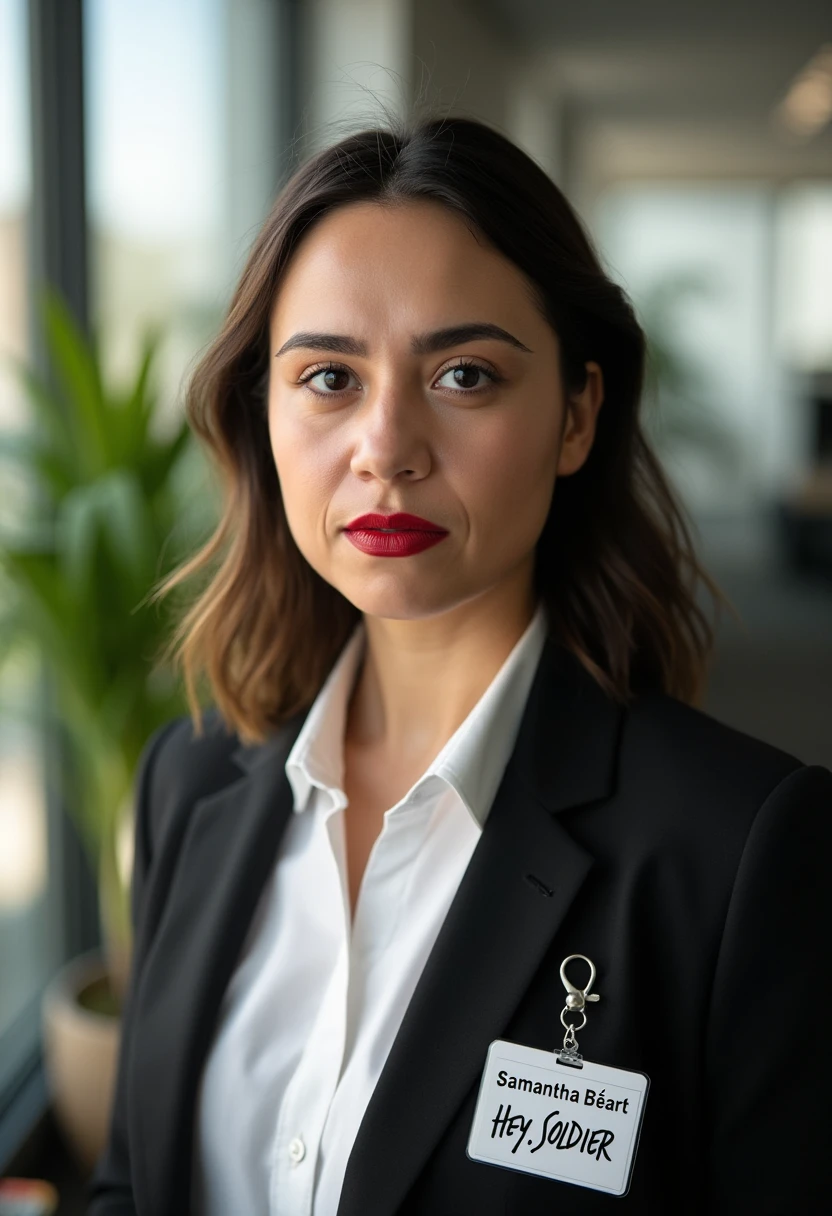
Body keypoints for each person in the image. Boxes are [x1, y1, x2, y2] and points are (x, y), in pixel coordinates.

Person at [86, 113, 831, 1216]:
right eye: (329, 378)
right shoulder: (189, 783)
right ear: (263, 412)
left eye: (465, 374)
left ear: (577, 414)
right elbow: (131, 1187)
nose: (386, 446)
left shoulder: (741, 850)